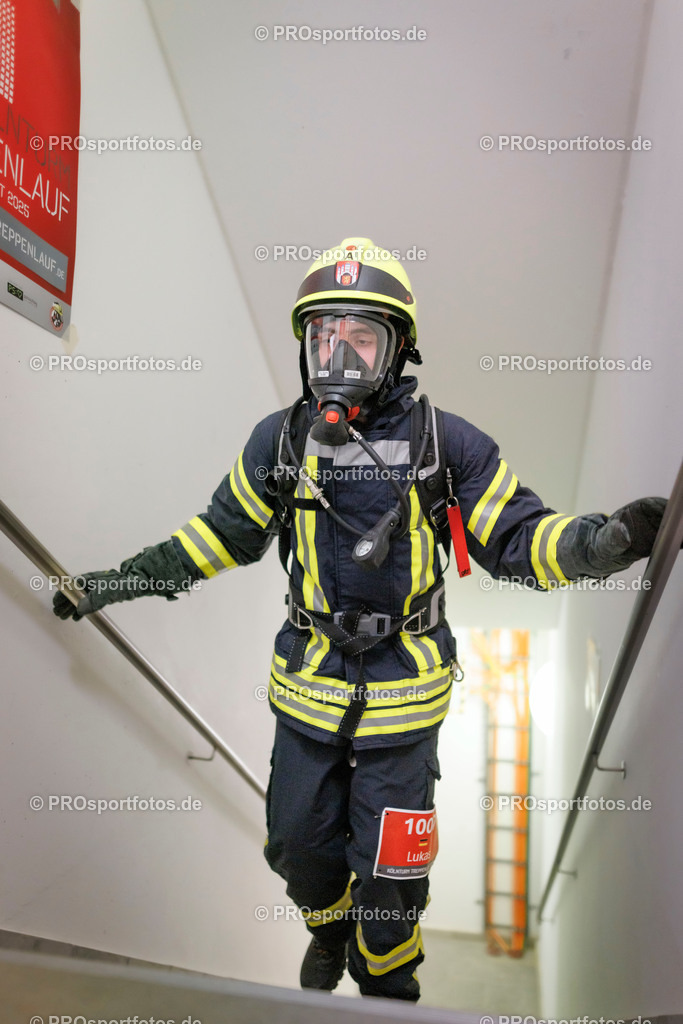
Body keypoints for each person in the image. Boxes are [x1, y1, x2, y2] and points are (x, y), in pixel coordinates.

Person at [53, 238, 669, 1002]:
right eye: (323, 336)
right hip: (308, 680)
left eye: (361, 336)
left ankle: (388, 985)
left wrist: (602, 544)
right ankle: (325, 928)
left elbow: (519, 536)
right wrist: (120, 579)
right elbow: (220, 533)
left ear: (398, 348)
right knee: (298, 849)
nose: (337, 353)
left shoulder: (449, 443)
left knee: (391, 875)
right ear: (305, 345)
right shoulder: (278, 440)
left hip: (405, 692)